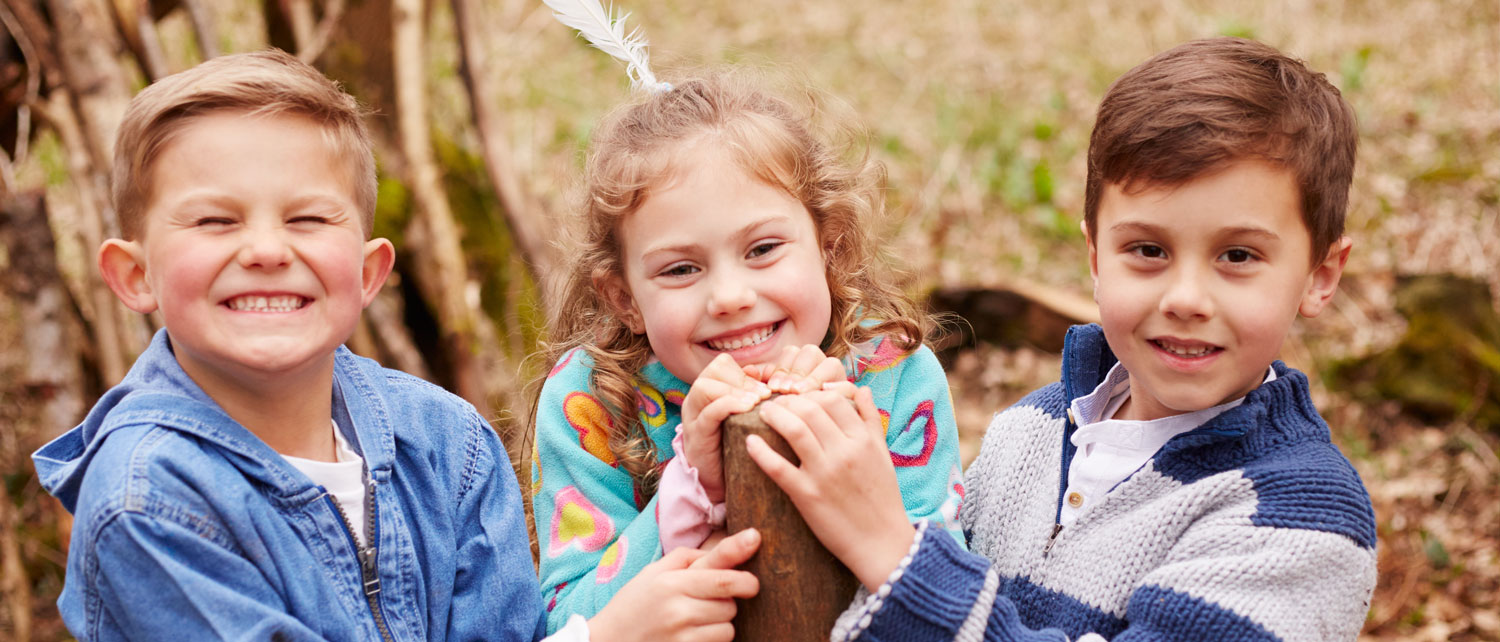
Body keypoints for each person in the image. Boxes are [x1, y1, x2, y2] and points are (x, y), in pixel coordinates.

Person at [26, 50, 744, 642]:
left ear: (369, 273)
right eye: (215, 221)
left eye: (308, 218)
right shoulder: (147, 503)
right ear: (132, 275)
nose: (268, 249)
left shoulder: (446, 442)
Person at [750, 37, 1379, 641]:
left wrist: (892, 554)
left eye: (1238, 255)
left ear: (1320, 276)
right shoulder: (1030, 431)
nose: (1186, 298)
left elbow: (916, 590)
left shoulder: (1300, 517)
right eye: (1148, 250)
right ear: (1096, 257)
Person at [530, 68, 967, 635]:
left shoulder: (893, 373)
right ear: (624, 299)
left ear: (828, 247)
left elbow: (947, 601)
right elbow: (569, 622)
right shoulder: (588, 402)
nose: (732, 297)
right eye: (681, 269)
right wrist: (691, 491)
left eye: (762, 249)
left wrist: (848, 472)